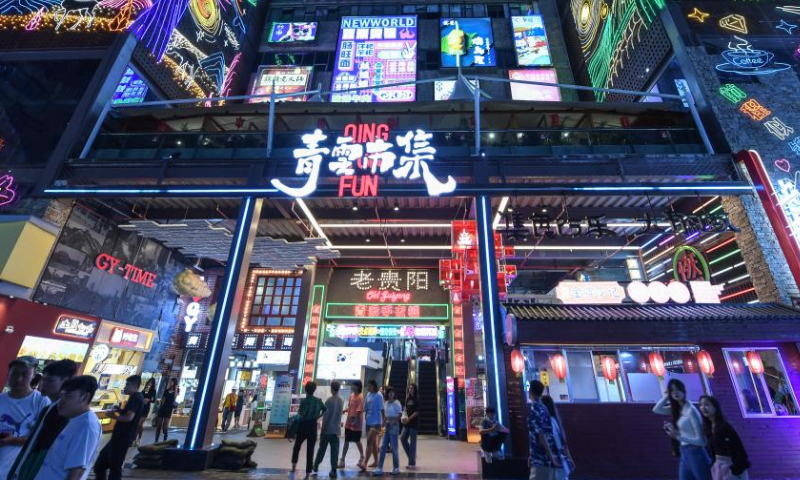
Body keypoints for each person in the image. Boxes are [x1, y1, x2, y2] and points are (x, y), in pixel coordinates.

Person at [8, 359, 78, 480]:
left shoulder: (67, 415)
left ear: (65, 382)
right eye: (43, 379)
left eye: (50, 381)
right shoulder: (49, 409)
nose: (43, 384)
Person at [33, 376, 101, 480]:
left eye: (68, 396)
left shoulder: (87, 426)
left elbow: (76, 471)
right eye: (61, 396)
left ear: (85, 397)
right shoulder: (73, 419)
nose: (61, 402)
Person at [0, 357, 51, 479]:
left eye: (24, 374)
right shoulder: (1, 399)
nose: (19, 379)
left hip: (15, 470)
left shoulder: (41, 401)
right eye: (14, 374)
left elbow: (43, 439)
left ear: (33, 375)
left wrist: (11, 441)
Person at [653, 379, 711, 480]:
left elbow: (702, 441)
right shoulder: (677, 409)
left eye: (677, 389)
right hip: (684, 451)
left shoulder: (691, 410)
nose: (675, 393)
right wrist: (667, 396)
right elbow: (656, 409)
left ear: (683, 390)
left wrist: (678, 436)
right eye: (672, 390)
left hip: (696, 452)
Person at [93, 375, 144, 480]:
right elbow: (129, 414)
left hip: (122, 438)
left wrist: (113, 416)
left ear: (134, 386)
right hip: (119, 437)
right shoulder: (136, 397)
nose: (125, 387)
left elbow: (129, 418)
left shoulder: (135, 398)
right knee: (101, 466)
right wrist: (119, 410)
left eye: (127, 385)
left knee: (113, 468)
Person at [699, 396, 750, 480]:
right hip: (718, 467)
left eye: (707, 405)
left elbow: (740, 450)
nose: (703, 407)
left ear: (715, 408)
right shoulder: (708, 428)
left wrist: (734, 470)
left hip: (731, 466)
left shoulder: (725, 427)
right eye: (701, 405)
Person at [290, 381, 325, 479]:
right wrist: (318, 416)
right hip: (313, 426)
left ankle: (293, 468)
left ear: (306, 390)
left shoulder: (304, 401)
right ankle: (308, 473)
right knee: (310, 450)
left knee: (297, 446)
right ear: (314, 390)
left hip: (303, 426)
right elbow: (325, 409)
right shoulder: (318, 400)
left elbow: (300, 415)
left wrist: (293, 426)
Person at [527, 380, 560, 480]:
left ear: (530, 391)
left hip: (540, 457)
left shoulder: (535, 409)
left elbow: (541, 435)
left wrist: (550, 455)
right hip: (544, 457)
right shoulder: (544, 408)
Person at [314, 381, 344, 478]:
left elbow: (326, 417)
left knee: (322, 449)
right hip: (336, 430)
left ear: (331, 389)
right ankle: (334, 470)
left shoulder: (328, 401)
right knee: (335, 451)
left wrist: (322, 429)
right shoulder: (341, 400)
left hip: (327, 430)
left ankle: (315, 466)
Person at [541, 395, 574, 480]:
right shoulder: (555, 421)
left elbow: (549, 443)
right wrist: (569, 458)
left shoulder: (547, 423)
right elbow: (563, 443)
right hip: (560, 461)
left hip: (553, 462)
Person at [373, 386, 402, 476]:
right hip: (386, 425)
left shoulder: (397, 403)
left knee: (394, 448)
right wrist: (382, 426)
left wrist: (395, 421)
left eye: (392, 392)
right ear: (387, 394)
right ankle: (379, 467)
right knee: (383, 447)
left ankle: (396, 467)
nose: (391, 394)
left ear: (394, 394)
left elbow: (400, 414)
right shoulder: (385, 403)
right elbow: (385, 416)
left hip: (394, 425)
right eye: (389, 392)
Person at [339, 380, 364, 470]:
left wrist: (356, 421)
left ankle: (362, 456)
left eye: (354, 385)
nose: (352, 386)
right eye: (352, 385)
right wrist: (344, 411)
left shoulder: (360, 397)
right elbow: (350, 407)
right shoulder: (351, 396)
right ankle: (342, 460)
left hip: (356, 423)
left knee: (357, 440)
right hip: (349, 422)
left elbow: (359, 410)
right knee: (346, 440)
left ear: (358, 386)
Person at [363, 380, 383, 469]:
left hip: (376, 422)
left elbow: (382, 409)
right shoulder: (368, 395)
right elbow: (366, 407)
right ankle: (376, 461)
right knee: (373, 443)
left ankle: (364, 463)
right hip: (368, 421)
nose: (368, 388)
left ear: (374, 386)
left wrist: (383, 422)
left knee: (369, 442)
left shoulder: (379, 395)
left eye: (370, 386)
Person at [400, 383, 419, 469]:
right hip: (407, 423)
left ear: (414, 389)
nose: (410, 389)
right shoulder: (407, 399)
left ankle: (411, 463)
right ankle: (412, 457)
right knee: (403, 438)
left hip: (413, 423)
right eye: (409, 388)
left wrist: (409, 419)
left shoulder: (417, 399)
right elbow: (407, 409)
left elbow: (416, 412)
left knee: (413, 443)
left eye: (412, 388)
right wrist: (404, 409)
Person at [154, 378, 178, 443]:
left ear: (174, 383)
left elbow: (175, 397)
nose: (170, 383)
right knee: (159, 425)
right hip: (163, 408)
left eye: (171, 382)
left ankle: (165, 440)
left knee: (165, 426)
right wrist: (160, 403)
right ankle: (156, 441)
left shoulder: (177, 390)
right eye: (170, 382)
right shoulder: (166, 390)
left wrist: (176, 388)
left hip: (169, 409)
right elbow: (163, 399)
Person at [136, 378, 156, 446]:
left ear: (153, 384)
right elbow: (140, 396)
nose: (149, 383)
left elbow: (153, 400)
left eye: (151, 382)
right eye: (149, 382)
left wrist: (148, 400)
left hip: (146, 408)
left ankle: (139, 438)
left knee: (140, 424)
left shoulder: (153, 390)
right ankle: (134, 439)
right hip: (140, 407)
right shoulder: (145, 389)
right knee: (136, 424)